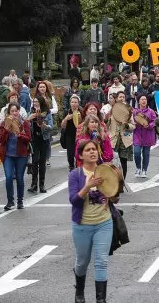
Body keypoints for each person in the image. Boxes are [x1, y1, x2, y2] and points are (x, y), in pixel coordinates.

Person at [68, 139, 115, 303]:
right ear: (81, 155)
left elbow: (115, 195)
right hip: (82, 225)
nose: (92, 152)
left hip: (104, 223)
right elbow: (74, 200)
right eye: (88, 150)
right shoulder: (76, 175)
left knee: (101, 261)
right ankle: (79, 292)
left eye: (94, 149)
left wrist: (113, 194)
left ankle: (100, 300)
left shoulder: (105, 170)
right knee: (82, 262)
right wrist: (87, 187)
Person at [0, 104, 31, 210]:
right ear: (8, 113)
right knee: (8, 177)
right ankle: (10, 201)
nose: (14, 113)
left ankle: (20, 201)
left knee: (20, 178)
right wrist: (6, 130)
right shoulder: (4, 123)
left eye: (15, 111)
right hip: (8, 154)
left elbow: (29, 138)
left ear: (18, 112)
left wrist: (20, 135)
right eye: (11, 111)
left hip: (21, 154)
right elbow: (0, 140)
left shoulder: (24, 123)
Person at [27, 96, 53, 194]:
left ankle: (42, 185)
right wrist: (29, 119)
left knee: (42, 162)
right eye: (34, 102)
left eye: (37, 102)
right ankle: (33, 185)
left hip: (44, 138)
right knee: (34, 161)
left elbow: (50, 127)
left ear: (41, 103)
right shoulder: (32, 112)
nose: (35, 103)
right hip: (34, 139)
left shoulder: (47, 112)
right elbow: (26, 125)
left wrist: (43, 124)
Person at [108, 91, 136, 179]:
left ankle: (122, 182)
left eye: (123, 97)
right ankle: (113, 181)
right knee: (111, 161)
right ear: (116, 99)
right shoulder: (111, 109)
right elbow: (105, 124)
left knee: (123, 161)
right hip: (113, 139)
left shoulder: (129, 110)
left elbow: (133, 126)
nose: (122, 98)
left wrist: (127, 125)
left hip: (125, 139)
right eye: (120, 97)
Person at [133, 95, 157, 178]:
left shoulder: (151, 111)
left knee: (146, 154)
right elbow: (131, 121)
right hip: (137, 134)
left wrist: (149, 125)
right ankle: (138, 168)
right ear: (138, 101)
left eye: (145, 99)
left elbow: (154, 122)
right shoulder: (134, 111)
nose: (144, 101)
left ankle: (144, 170)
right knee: (136, 152)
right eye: (142, 99)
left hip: (148, 135)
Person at [61, 94, 83, 171]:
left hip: (79, 135)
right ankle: (71, 166)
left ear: (78, 103)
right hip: (69, 134)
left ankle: (79, 166)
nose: (74, 104)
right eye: (72, 102)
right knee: (70, 153)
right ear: (70, 103)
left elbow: (83, 123)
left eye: (75, 102)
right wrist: (66, 119)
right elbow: (63, 126)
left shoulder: (81, 111)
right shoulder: (67, 112)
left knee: (79, 152)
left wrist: (79, 117)